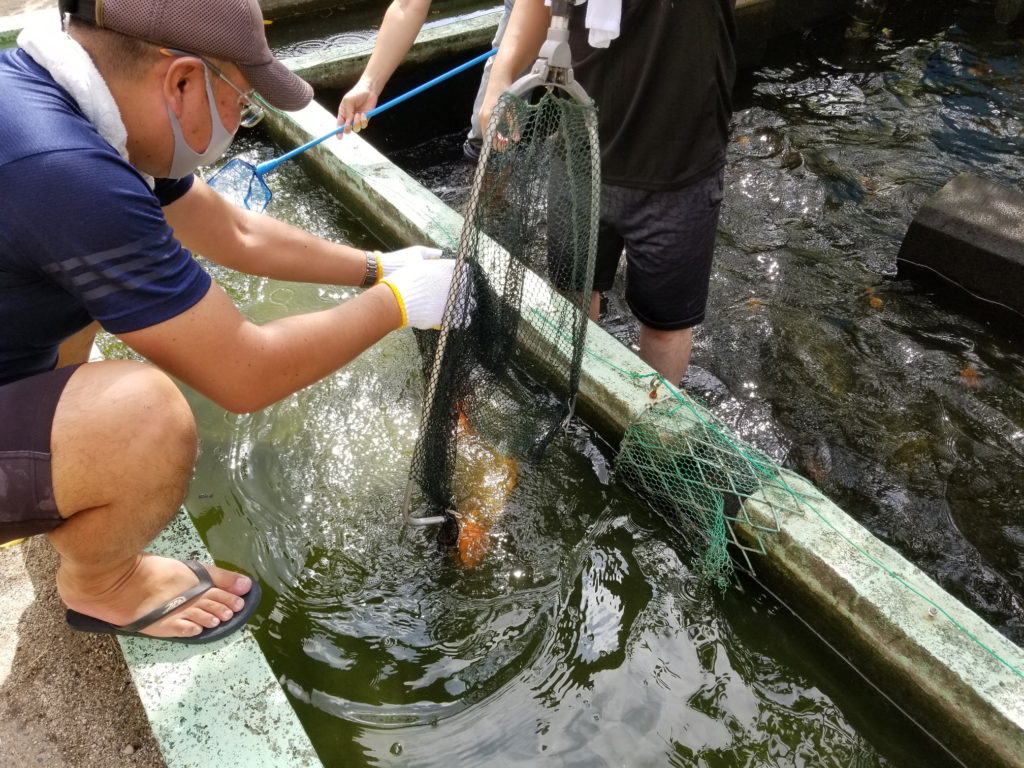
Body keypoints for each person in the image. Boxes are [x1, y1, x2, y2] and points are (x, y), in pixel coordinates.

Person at [0, 0, 456, 644]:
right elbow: (246, 373)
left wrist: (376, 267)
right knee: (141, 415)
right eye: (241, 103)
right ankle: (102, 583)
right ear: (183, 80)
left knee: (89, 304)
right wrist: (400, 303)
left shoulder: (56, 104)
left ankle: (46, 472)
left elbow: (235, 231)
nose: (239, 124)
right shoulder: (67, 173)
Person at [479, 0, 736, 385]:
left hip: (680, 163)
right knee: (571, 292)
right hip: (579, 144)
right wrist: (500, 78)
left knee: (664, 324)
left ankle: (653, 417)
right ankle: (576, 395)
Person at [337, 0, 515, 161]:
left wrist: (501, 81)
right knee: (488, 137)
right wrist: (369, 84)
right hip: (516, 12)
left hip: (528, 14)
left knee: (498, 113)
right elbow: (407, 4)